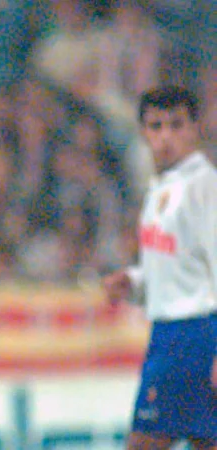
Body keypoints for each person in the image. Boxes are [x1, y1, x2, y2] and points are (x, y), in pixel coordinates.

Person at [102, 85, 216, 450]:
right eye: (156, 126)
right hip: (169, 334)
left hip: (197, 334)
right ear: (143, 132)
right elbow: (174, 269)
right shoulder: (162, 188)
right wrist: (134, 282)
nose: (166, 137)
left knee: (144, 443)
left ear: (195, 128)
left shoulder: (205, 187)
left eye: (176, 125)